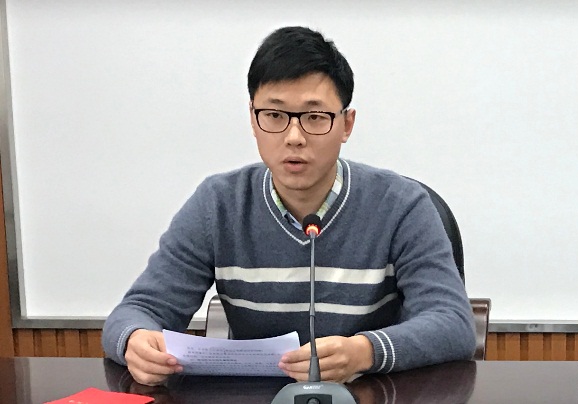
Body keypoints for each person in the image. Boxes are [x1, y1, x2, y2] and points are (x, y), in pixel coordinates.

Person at [102, 25, 476, 387]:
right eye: (275, 116)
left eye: (314, 117)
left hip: (368, 394)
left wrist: (364, 352)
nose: (294, 137)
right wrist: (135, 340)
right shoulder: (218, 204)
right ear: (253, 120)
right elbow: (138, 311)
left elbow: (453, 323)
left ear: (346, 124)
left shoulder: (401, 206)